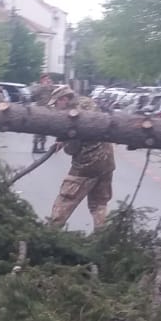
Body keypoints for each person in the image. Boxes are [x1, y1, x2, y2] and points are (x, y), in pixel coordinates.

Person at [47, 85, 116, 231]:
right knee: (99, 204)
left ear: (64, 99)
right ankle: (103, 238)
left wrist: (65, 141)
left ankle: (50, 234)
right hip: (107, 161)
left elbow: (72, 148)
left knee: (65, 200)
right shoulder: (88, 103)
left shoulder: (72, 115)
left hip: (86, 164)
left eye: (56, 103)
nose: (55, 108)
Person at [32, 74, 55, 153]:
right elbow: (34, 94)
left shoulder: (49, 87)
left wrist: (51, 85)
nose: (47, 80)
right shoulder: (39, 87)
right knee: (38, 128)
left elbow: (54, 92)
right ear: (41, 80)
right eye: (45, 79)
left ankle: (42, 146)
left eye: (48, 79)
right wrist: (42, 86)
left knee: (45, 129)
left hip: (47, 109)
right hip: (39, 110)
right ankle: (35, 146)